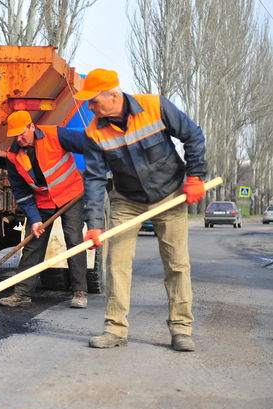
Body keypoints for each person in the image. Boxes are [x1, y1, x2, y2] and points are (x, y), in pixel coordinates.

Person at [73, 68, 207, 351]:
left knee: (177, 265)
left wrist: (196, 176)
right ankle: (115, 329)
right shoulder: (93, 132)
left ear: (113, 94)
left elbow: (192, 135)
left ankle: (182, 329)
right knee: (117, 265)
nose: (89, 106)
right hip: (127, 201)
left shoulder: (154, 106)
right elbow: (95, 180)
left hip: (170, 197)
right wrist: (94, 224)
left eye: (94, 100)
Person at [0, 110, 89, 309]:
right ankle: (22, 293)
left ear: (32, 126)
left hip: (70, 195)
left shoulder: (55, 135)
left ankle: (79, 291)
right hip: (42, 202)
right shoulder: (13, 155)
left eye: (22, 133)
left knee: (74, 239)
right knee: (32, 244)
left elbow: (90, 144)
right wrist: (34, 218)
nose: (19, 139)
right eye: (15, 135)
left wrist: (98, 168)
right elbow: (21, 191)